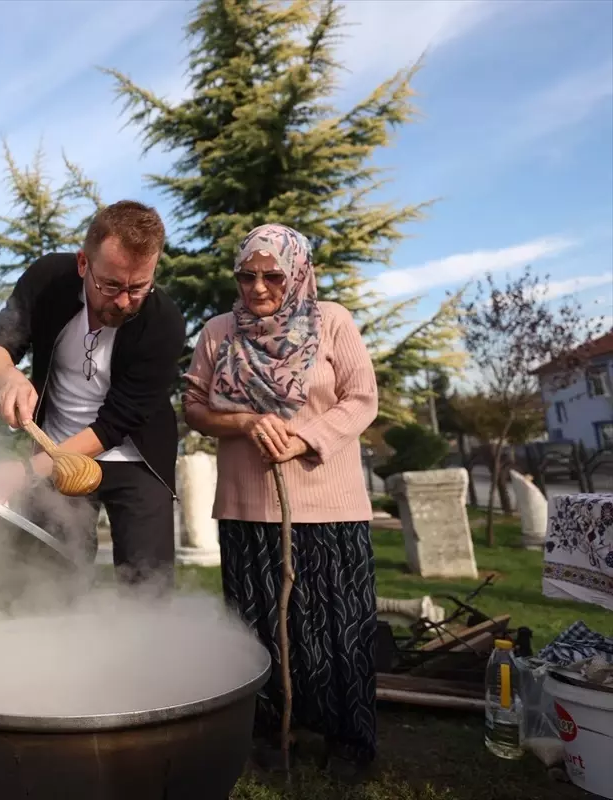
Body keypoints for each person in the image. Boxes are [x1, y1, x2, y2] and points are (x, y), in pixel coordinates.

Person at [181, 223, 380, 774]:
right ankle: (270, 734)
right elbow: (193, 406)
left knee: (338, 628)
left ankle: (346, 740)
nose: (259, 287)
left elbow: (362, 399)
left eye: (273, 275)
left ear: (297, 274)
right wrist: (244, 421)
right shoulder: (220, 332)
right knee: (258, 627)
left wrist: (305, 437)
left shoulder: (332, 321)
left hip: (329, 505)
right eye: (247, 276)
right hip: (247, 507)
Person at [0, 200, 186, 591]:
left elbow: (115, 424)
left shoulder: (164, 322)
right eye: (110, 285)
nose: (123, 301)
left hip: (134, 456)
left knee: (147, 587)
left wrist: (24, 473)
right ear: (83, 264)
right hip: (55, 447)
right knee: (49, 578)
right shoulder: (48, 280)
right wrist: (9, 379)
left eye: (138, 287)